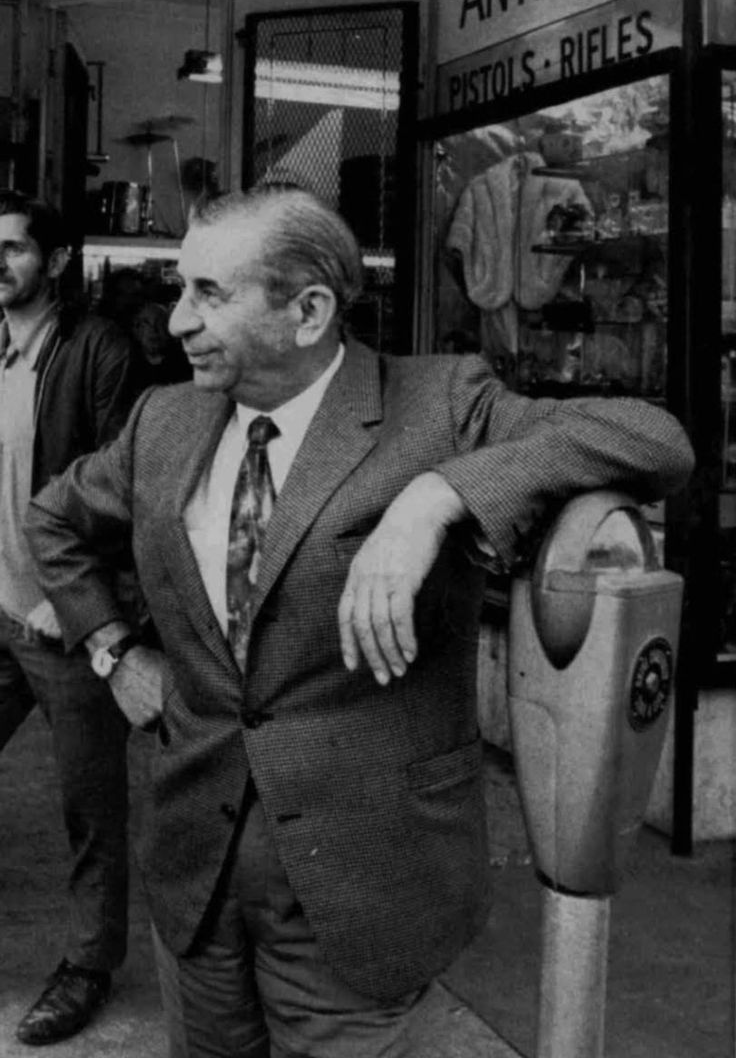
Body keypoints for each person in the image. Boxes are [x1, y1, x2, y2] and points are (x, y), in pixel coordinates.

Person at [26, 186, 694, 1058]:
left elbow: (655, 440)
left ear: (309, 311)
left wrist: (440, 494)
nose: (175, 319)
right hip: (197, 873)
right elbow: (53, 518)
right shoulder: (167, 419)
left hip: (363, 887)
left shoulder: (440, 405)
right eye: (178, 287)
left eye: (208, 293)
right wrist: (116, 651)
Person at [0, 190, 140, 1046]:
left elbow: (137, 487)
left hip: (62, 621)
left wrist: (82, 602)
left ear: (55, 262)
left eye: (14, 248)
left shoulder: (99, 351)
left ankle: (89, 964)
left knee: (91, 807)